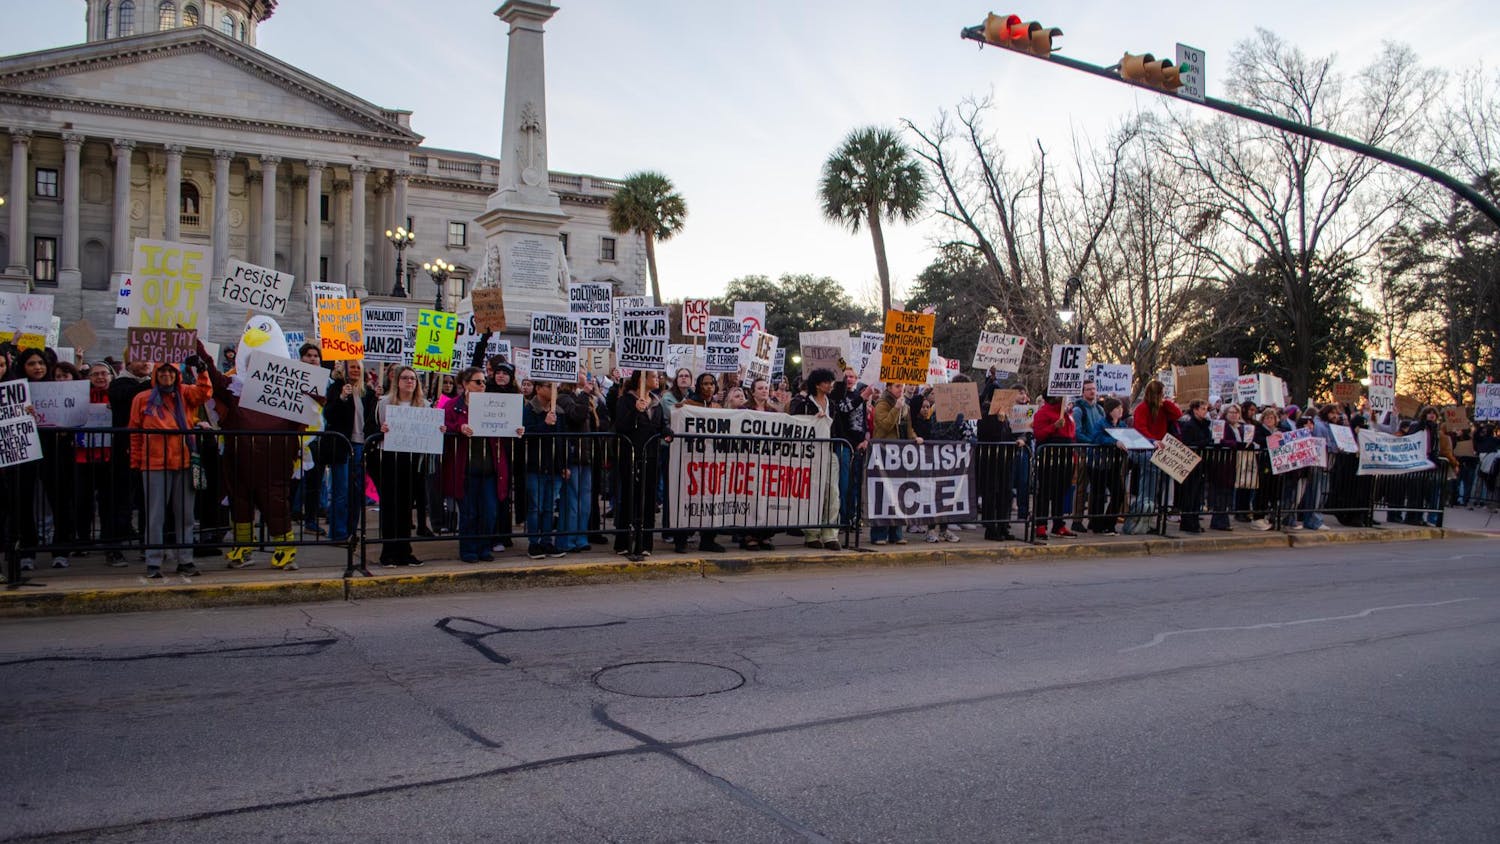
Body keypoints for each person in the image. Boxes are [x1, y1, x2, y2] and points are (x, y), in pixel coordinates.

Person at [129, 360, 213, 578]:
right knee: (155, 516)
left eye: (171, 371)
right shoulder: (142, 399)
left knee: (185, 515)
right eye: (162, 371)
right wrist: (137, 461)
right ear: (156, 374)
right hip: (154, 464)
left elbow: (204, 393)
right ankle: (153, 562)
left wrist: (202, 370)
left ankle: (185, 560)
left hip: (183, 462)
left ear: (177, 374)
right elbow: (135, 432)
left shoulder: (185, 394)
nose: (167, 374)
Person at [445, 367, 515, 563]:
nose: (482, 385)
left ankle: (484, 547)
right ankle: (468, 549)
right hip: (466, 470)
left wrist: (515, 428)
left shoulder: (494, 405)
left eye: (484, 382)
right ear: (465, 384)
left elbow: (506, 425)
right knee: (469, 513)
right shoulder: (453, 407)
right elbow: (442, 425)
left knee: (489, 511)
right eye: (478, 382)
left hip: (490, 470)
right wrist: (458, 427)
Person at [375, 366, 429, 567]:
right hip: (391, 458)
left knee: (407, 507)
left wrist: (438, 429)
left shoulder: (424, 405)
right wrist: (381, 430)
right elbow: (373, 429)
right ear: (397, 381)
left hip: (413, 459)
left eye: (413, 379)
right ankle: (388, 552)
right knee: (391, 506)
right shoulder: (384, 404)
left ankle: (405, 550)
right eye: (405, 378)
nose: (410, 382)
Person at [322, 360, 378, 542]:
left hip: (361, 445)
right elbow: (329, 414)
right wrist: (342, 398)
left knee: (357, 492)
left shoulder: (366, 392)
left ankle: (351, 531)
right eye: (352, 367)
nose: (355, 370)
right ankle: (338, 533)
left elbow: (372, 418)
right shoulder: (336, 388)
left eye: (358, 368)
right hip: (343, 445)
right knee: (341, 491)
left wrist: (378, 398)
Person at [786, 368, 842, 551]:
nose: (830, 385)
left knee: (832, 493)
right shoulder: (803, 403)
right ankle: (811, 532)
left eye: (831, 382)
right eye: (826, 382)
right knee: (812, 492)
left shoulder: (831, 404)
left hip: (829, 451)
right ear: (817, 384)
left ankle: (830, 533)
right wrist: (812, 420)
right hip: (810, 454)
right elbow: (794, 423)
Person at [613, 370, 667, 556]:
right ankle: (623, 542)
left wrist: (667, 432)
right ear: (642, 380)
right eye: (653, 376)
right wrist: (635, 411)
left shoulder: (656, 402)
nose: (657, 379)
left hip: (651, 457)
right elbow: (620, 426)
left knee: (648, 500)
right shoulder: (626, 401)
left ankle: (645, 543)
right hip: (631, 455)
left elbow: (659, 426)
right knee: (629, 498)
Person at [521, 379, 566, 559]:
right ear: (538, 389)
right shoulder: (529, 410)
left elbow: (562, 440)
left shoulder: (558, 411)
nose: (554, 390)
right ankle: (534, 543)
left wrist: (563, 465)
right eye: (549, 386)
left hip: (554, 466)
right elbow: (525, 434)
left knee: (549, 507)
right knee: (535, 507)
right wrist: (544, 424)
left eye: (556, 386)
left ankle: (547, 541)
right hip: (535, 465)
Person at [869, 383, 915, 546]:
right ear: (888, 388)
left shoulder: (906, 406)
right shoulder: (882, 404)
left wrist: (915, 438)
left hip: (900, 454)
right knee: (883, 494)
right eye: (896, 386)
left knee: (899, 494)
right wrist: (896, 408)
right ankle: (879, 534)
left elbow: (908, 429)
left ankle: (896, 533)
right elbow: (884, 426)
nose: (900, 389)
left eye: (901, 386)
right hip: (884, 454)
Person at [1032, 394, 1077, 540]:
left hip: (1066, 454)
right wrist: (1054, 427)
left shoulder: (1066, 412)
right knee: (1045, 491)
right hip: (1049, 455)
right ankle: (1040, 525)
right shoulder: (1043, 413)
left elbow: (1071, 434)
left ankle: (1058, 524)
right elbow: (1038, 434)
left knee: (1061, 491)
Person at [976, 387, 1018, 541]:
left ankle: (1003, 525)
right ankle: (991, 527)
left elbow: (1010, 433)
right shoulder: (986, 412)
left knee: (1005, 492)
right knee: (992, 493)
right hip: (991, 460)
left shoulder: (1007, 413)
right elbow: (988, 434)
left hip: (1005, 459)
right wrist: (999, 422)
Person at [1174, 400, 1214, 533]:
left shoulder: (1205, 425)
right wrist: (1205, 442)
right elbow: (1188, 443)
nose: (1205, 411)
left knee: (1197, 494)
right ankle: (1188, 522)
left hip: (1202, 462)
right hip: (1191, 463)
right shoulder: (1189, 425)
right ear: (1195, 410)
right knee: (1190, 494)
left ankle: (1194, 521)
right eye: (1202, 409)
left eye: (1206, 409)